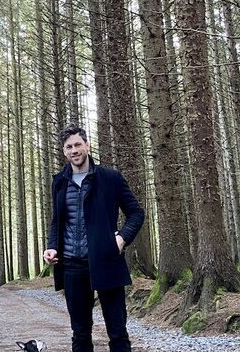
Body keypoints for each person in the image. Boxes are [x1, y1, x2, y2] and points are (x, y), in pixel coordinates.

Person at [43, 123, 145, 352]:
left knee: (117, 332)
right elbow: (57, 221)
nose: (74, 150)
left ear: (87, 145)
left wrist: (121, 239)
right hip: (72, 266)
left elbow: (136, 213)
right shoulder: (59, 181)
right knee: (80, 333)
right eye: (69, 147)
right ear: (64, 151)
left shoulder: (110, 178)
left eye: (78, 144)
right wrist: (51, 247)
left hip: (106, 261)